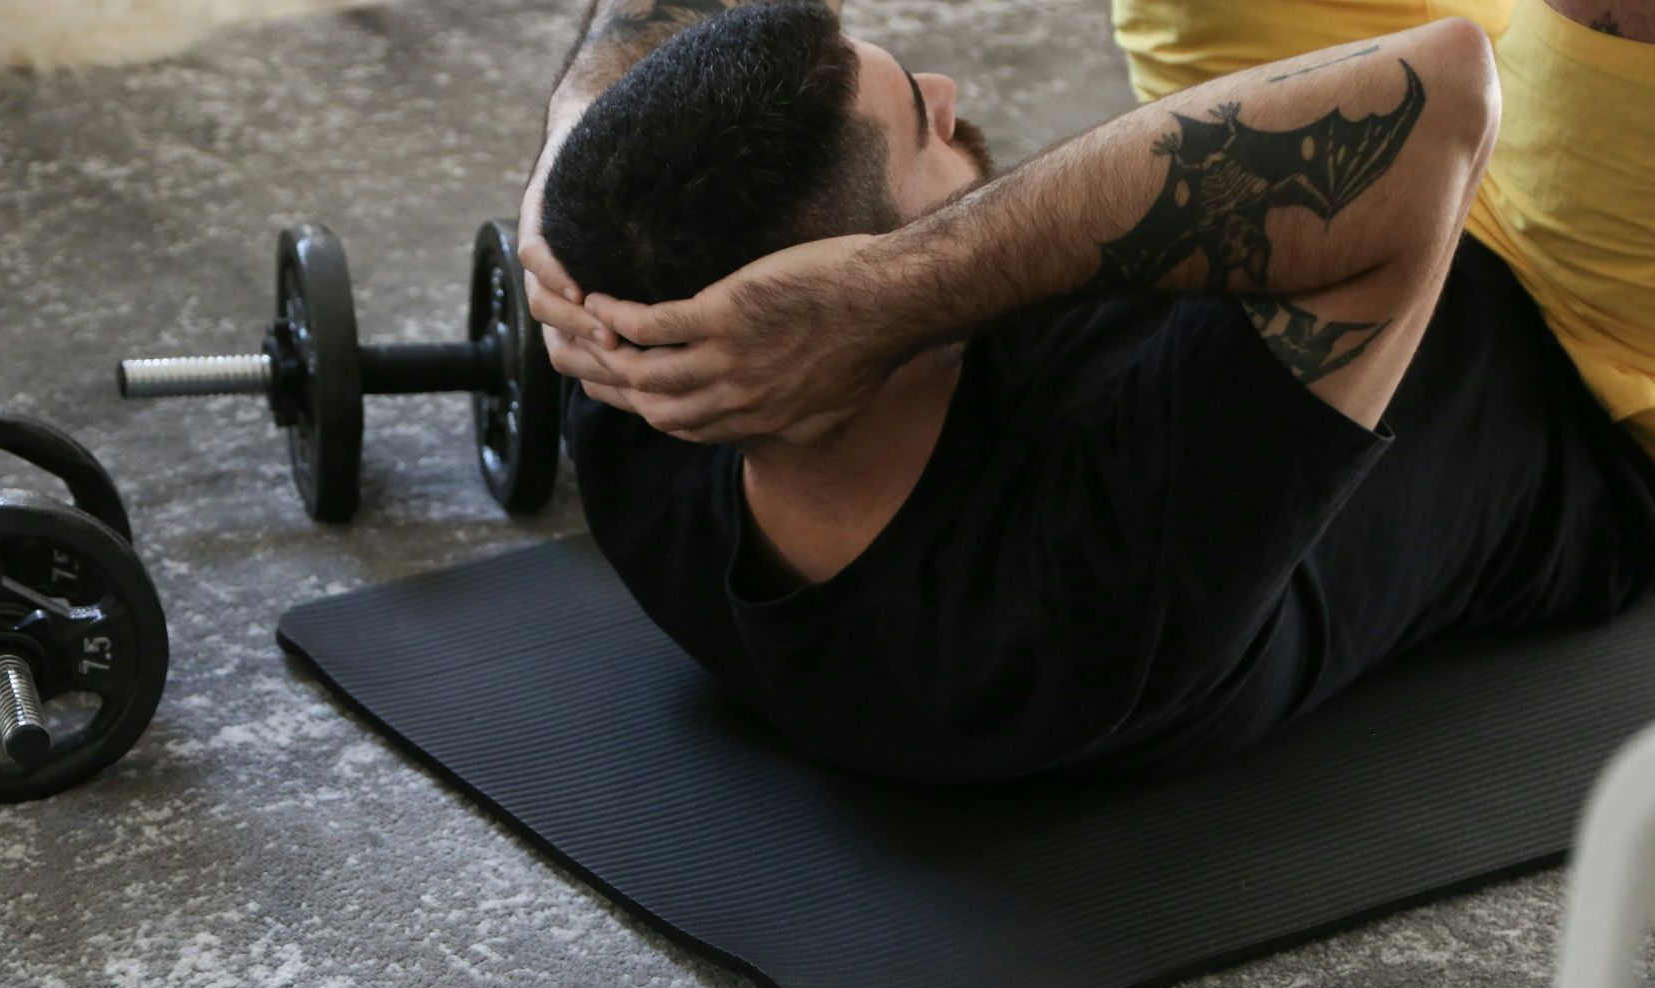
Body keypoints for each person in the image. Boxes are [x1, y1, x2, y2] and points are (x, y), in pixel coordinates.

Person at [512, 0, 1655, 783]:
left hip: (1290, 199)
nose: (952, 91)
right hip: (1574, 342)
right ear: (863, 312)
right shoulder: (1064, 606)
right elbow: (1439, 97)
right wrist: (889, 295)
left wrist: (574, 156)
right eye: (925, 121)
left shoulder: (649, 384)